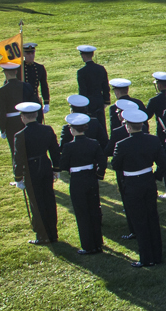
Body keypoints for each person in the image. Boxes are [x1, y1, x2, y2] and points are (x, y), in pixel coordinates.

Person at [111, 107, 166, 267]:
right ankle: (157, 255)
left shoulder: (122, 144)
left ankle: (146, 257)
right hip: (148, 181)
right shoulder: (153, 140)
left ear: (128, 126)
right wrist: (154, 176)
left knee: (139, 220)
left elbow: (115, 165)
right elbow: (163, 163)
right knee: (152, 217)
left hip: (132, 184)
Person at [59, 112, 106, 254]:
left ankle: (88, 245)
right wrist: (98, 174)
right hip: (91, 178)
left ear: (72, 130)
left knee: (82, 213)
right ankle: (98, 242)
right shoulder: (94, 143)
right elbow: (102, 161)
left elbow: (63, 165)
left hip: (77, 180)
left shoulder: (68, 147)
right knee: (94, 210)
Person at [14, 102, 60, 245]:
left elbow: (18, 158)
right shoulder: (47, 130)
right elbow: (54, 151)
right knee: (49, 199)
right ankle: (53, 233)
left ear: (23, 117)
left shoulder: (20, 135)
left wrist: (18, 177)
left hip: (31, 170)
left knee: (37, 202)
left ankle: (42, 235)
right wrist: (56, 169)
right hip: (45, 166)